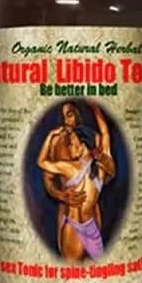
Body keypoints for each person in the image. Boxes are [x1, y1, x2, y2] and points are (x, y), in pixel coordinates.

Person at [38, 102, 115, 260]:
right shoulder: (58, 147)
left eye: (70, 115)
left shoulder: (95, 146)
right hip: (70, 216)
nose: (66, 121)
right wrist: (60, 194)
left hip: (92, 220)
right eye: (63, 117)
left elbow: (105, 135)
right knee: (71, 268)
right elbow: (46, 177)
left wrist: (95, 108)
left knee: (96, 267)